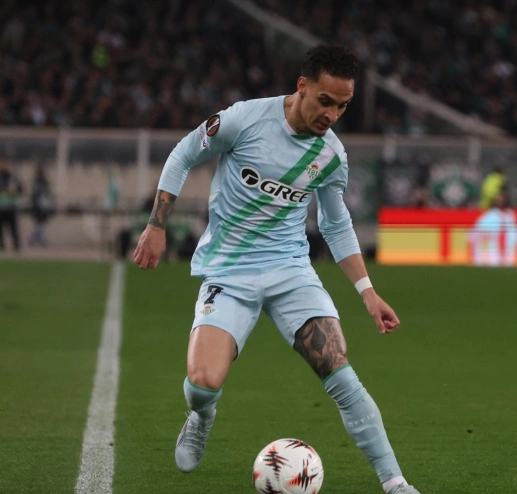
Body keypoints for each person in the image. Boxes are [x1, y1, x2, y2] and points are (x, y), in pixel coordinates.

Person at [132, 44, 421, 494]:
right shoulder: (245, 120)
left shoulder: (331, 156)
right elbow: (183, 154)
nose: (331, 114)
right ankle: (201, 415)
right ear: (302, 86)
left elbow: (335, 223)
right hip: (229, 271)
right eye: (325, 101)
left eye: (342, 106)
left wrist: (368, 291)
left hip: (290, 272)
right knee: (203, 383)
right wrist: (156, 226)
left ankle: (395, 483)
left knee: (340, 371)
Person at [0, 159, 23, 252]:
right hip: (1, 207)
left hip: (10, 206)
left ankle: (16, 245)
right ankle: (2, 245)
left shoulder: (13, 177)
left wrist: (13, 191)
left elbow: (20, 189)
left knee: (13, 228)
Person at [28, 167, 54, 248]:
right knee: (39, 224)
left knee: (40, 224)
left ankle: (37, 239)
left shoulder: (44, 183)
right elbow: (36, 195)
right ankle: (37, 239)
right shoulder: (38, 183)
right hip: (38, 206)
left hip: (44, 206)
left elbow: (48, 194)